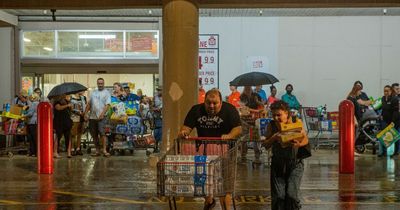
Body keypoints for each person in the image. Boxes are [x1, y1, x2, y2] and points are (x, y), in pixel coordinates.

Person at [178, 89, 242, 210]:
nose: (211, 106)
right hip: (205, 151)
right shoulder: (196, 110)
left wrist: (229, 136)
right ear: (204, 102)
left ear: (221, 102)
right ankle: (209, 200)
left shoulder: (230, 110)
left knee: (225, 184)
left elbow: (238, 129)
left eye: (215, 103)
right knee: (203, 181)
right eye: (208, 103)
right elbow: (186, 128)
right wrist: (184, 133)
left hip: (226, 151)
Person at [262, 100, 308, 210]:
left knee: (291, 195)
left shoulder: (296, 122)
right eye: (273, 115)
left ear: (286, 113)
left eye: (279, 115)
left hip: (295, 164)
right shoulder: (271, 126)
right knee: (278, 197)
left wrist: (299, 144)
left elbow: (305, 139)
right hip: (278, 164)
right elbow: (265, 144)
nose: (276, 118)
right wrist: (274, 137)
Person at [84, 78, 111, 157]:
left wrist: (102, 114)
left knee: (103, 134)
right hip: (92, 118)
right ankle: (97, 150)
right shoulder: (93, 93)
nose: (100, 85)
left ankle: (104, 150)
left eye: (101, 83)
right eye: (99, 83)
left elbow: (107, 105)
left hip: (102, 118)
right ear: (97, 83)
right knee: (94, 135)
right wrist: (85, 113)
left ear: (104, 83)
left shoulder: (106, 93)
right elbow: (89, 104)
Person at [239, 86, 263, 162]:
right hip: (244, 121)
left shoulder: (256, 95)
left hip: (255, 121)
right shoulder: (242, 96)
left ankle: (257, 157)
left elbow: (262, 107)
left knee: (256, 139)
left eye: (249, 87)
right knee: (244, 140)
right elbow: (243, 108)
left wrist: (257, 102)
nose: (247, 89)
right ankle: (243, 156)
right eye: (246, 87)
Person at [70, 92, 87, 156]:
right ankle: (72, 149)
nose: (83, 92)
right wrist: (78, 112)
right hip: (74, 117)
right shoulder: (71, 98)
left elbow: (85, 106)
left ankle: (78, 148)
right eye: (81, 90)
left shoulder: (83, 98)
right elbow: (71, 108)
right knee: (73, 134)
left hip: (82, 117)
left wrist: (85, 114)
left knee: (80, 133)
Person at [378, 85, 393, 157]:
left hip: (391, 121)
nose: (386, 92)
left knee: (389, 138)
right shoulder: (383, 98)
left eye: (387, 91)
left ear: (390, 91)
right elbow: (382, 108)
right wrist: (380, 115)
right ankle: (382, 152)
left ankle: (388, 152)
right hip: (383, 120)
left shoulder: (393, 99)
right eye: (384, 91)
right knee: (382, 137)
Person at [390, 83, 400, 157]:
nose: (398, 90)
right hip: (394, 120)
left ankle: (397, 152)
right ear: (393, 90)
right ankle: (396, 152)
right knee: (396, 137)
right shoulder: (392, 98)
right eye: (397, 89)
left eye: (399, 88)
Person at [152, 87, 162, 153]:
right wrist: (155, 109)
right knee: (156, 131)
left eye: (160, 90)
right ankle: (155, 145)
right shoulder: (154, 98)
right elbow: (151, 107)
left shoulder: (167, 97)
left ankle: (160, 146)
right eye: (158, 90)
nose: (159, 92)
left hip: (164, 117)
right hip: (157, 117)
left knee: (162, 131)